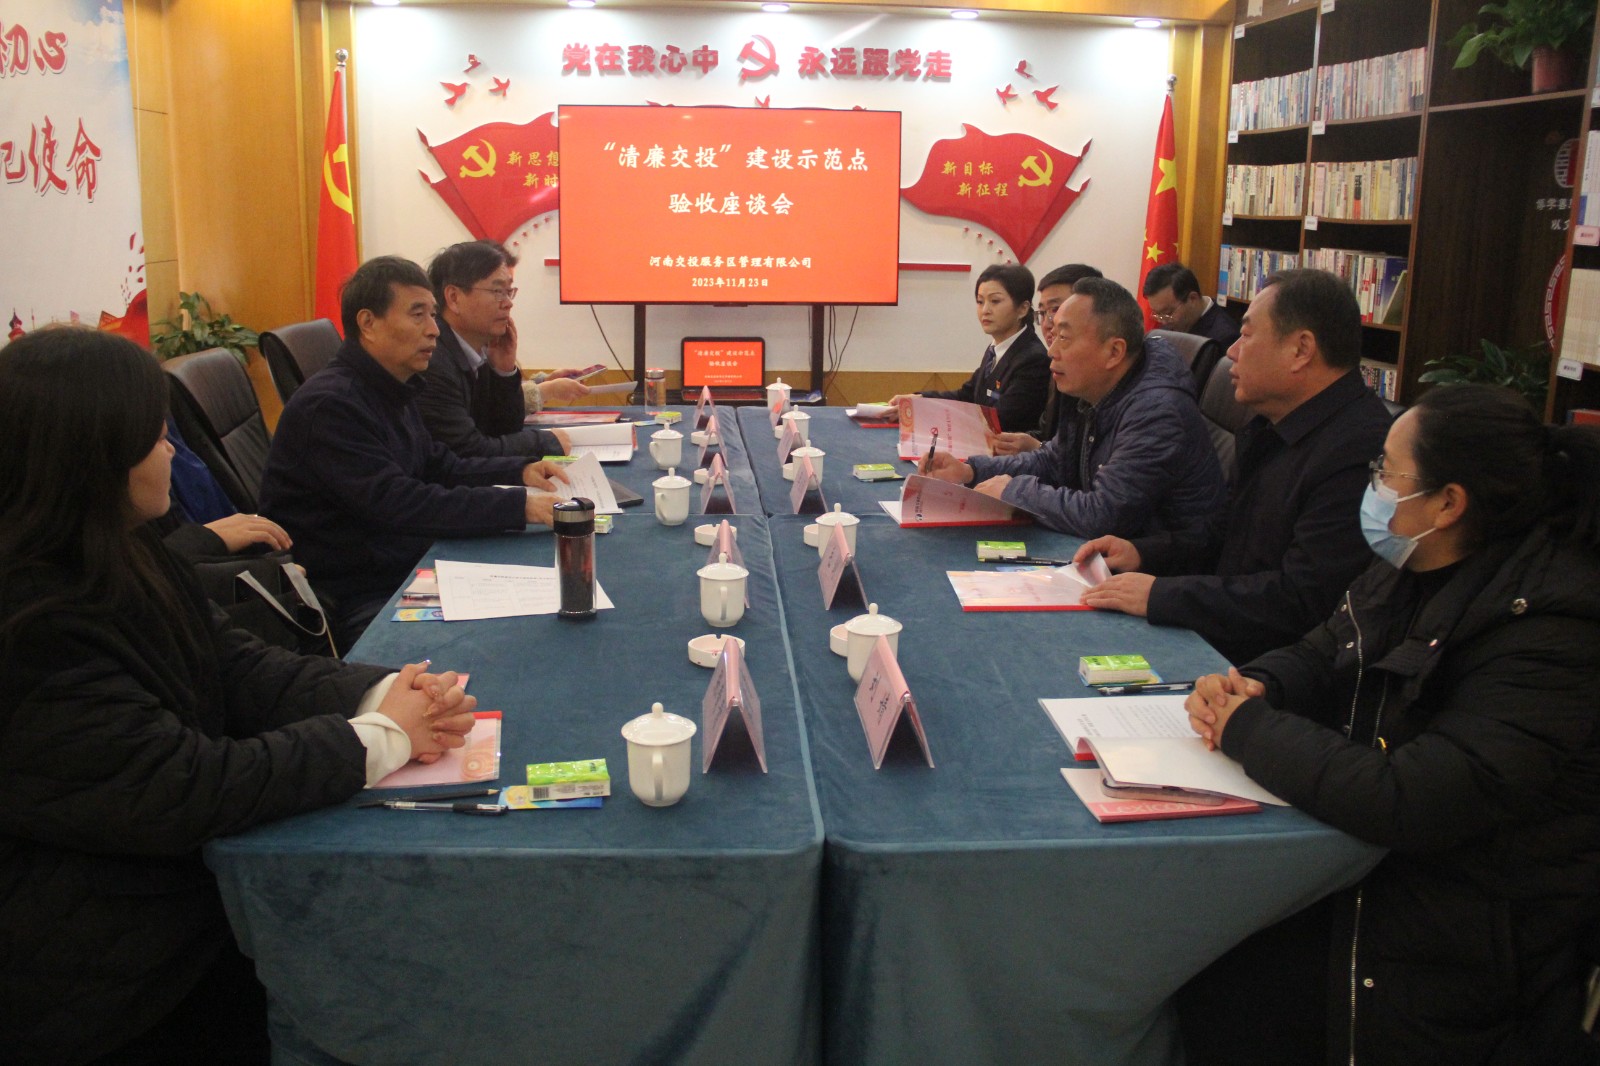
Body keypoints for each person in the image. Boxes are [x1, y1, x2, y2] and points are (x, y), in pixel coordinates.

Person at [0, 326, 480, 1065]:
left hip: (176, 910)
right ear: (94, 454)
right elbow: (179, 786)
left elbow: (237, 667)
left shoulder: (118, 548)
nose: (171, 450)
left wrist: (387, 691)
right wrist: (381, 736)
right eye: (154, 436)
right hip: (113, 980)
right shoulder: (28, 622)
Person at [1181, 384, 1600, 1066]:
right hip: (1363, 862)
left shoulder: (1550, 628)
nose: (1372, 485)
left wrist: (1248, 728)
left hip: (1459, 937)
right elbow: (1324, 647)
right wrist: (1258, 683)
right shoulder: (1412, 560)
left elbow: (1414, 797)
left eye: (1386, 471)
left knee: (1226, 992)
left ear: (1448, 502)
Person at [1074, 269, 1393, 664]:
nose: (1231, 352)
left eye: (1247, 335)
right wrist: (1143, 553)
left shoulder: (1358, 452)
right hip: (1220, 629)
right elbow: (1223, 534)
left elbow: (1300, 602)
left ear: (1301, 350)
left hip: (1263, 667)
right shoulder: (1270, 425)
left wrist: (1162, 595)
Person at [259, 255, 570, 646]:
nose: (434, 330)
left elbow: (438, 464)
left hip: (397, 560)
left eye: (433, 315)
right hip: (356, 591)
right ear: (368, 323)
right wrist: (517, 506)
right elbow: (400, 502)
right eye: (417, 315)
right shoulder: (331, 407)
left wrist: (519, 472)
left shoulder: (389, 385)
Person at [922, 276, 1226, 538]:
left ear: (1114, 352)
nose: (1051, 351)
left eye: (1064, 338)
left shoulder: (1157, 411)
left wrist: (1013, 491)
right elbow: (1053, 461)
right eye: (1053, 334)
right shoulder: (1091, 387)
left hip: (1153, 569)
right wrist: (970, 470)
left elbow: (1103, 514)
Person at [416, 239, 584, 458]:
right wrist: (545, 442)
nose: (508, 303)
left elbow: (503, 430)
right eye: (497, 291)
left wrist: (504, 372)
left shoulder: (479, 350)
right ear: (454, 298)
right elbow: (468, 452)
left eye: (509, 291)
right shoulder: (433, 360)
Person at [887, 263, 1051, 432]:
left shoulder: (1033, 359)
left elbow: (1001, 420)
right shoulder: (995, 350)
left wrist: (930, 413)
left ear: (1023, 309)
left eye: (995, 301)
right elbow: (967, 396)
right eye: (980, 301)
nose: (985, 310)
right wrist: (918, 401)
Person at [990, 262, 1103, 455]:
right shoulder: (1058, 365)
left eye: (1056, 309)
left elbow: (1082, 460)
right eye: (1043, 313)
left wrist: (1037, 447)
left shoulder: (1100, 378)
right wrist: (1018, 443)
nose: (1048, 324)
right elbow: (1048, 435)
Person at [1142, 261, 1239, 348]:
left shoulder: (1225, 337)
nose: (1163, 322)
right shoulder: (1169, 323)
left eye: (1168, 312)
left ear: (1193, 298)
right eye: (1157, 314)